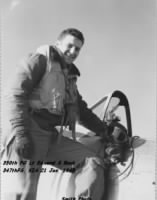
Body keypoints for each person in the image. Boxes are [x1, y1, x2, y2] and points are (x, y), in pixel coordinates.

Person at [2, 28, 111, 200]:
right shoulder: (40, 60)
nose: (73, 51)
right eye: (70, 46)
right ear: (58, 44)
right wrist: (22, 134)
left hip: (51, 137)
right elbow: (15, 94)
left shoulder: (69, 77)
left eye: (78, 49)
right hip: (28, 132)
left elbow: (81, 111)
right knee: (24, 194)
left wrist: (105, 130)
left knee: (92, 162)